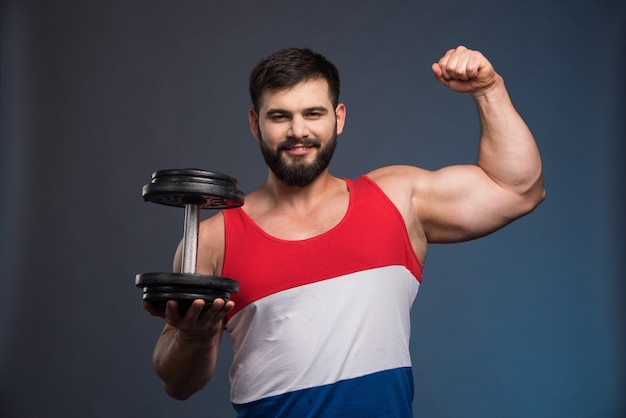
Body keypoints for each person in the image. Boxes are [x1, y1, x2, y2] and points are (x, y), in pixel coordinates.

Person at [142, 45, 546, 417]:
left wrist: (489, 89)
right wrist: (193, 338)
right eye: (280, 116)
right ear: (255, 123)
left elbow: (517, 189)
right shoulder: (214, 239)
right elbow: (178, 384)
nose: (297, 131)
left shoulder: (398, 200)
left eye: (313, 114)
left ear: (338, 118)